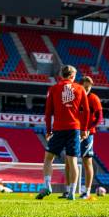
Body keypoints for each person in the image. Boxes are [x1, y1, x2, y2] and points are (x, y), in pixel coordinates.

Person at [37, 66, 88, 200]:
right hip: (74, 129)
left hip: (59, 129)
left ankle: (47, 185)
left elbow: (48, 112)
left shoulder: (53, 89)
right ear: (72, 76)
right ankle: (72, 192)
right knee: (73, 161)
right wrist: (84, 129)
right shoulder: (80, 89)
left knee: (48, 158)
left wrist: (48, 130)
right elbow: (87, 111)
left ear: (61, 75)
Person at [81, 76, 103, 198]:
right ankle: (69, 190)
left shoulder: (93, 98)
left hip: (88, 133)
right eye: (85, 87)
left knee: (86, 160)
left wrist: (88, 129)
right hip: (75, 131)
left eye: (89, 87)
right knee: (70, 159)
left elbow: (99, 117)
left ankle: (87, 191)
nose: (87, 89)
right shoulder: (76, 97)